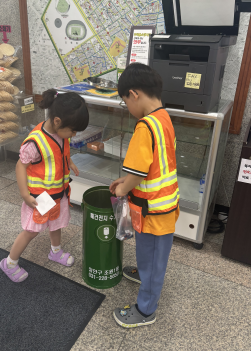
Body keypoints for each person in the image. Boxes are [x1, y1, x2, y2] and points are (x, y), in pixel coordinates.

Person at [110, 63, 180, 328]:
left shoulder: (144, 126)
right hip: (165, 206)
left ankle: (145, 310)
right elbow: (153, 165)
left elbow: (138, 173)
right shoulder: (163, 118)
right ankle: (143, 273)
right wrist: (127, 181)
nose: (127, 106)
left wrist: (122, 188)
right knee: (149, 254)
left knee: (152, 259)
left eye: (125, 100)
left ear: (134, 94)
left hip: (154, 213)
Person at [0, 89, 89, 282]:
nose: (74, 134)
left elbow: (60, 152)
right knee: (32, 230)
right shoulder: (35, 142)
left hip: (59, 193)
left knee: (56, 223)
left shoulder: (61, 132)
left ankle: (55, 252)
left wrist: (70, 162)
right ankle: (9, 262)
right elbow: (20, 166)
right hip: (42, 197)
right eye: (73, 130)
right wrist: (25, 194)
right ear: (57, 121)